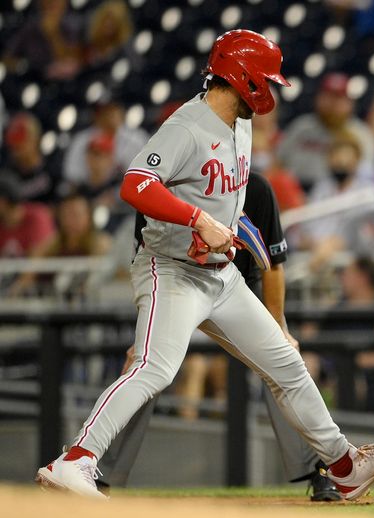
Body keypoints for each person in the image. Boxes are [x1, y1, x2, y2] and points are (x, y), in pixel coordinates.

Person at [34, 29, 374, 500]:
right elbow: (135, 185)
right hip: (171, 270)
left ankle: (345, 466)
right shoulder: (187, 126)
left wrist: (227, 230)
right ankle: (75, 460)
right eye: (264, 80)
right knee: (154, 367)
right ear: (241, 76)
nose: (269, 91)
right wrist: (196, 218)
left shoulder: (239, 125)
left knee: (286, 364)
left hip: (221, 277)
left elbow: (224, 200)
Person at [96, 173, 341, 500]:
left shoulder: (254, 187)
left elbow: (274, 265)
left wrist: (279, 325)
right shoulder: (158, 190)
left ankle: (321, 469)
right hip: (177, 287)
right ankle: (101, 474)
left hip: (240, 289)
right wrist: (145, 332)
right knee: (144, 367)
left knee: (283, 361)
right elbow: (145, 263)